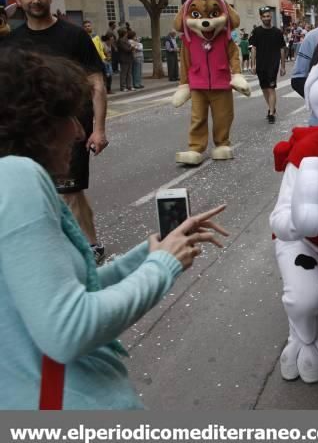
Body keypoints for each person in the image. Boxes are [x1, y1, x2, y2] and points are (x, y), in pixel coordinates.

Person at [0, 47, 229, 409]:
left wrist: (149, 253)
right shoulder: (16, 177)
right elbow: (68, 328)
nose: (78, 132)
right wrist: (161, 266)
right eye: (70, 117)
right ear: (35, 123)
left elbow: (71, 292)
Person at [6, 0, 108, 260]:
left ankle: (90, 247)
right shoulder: (12, 42)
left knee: (70, 191)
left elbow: (97, 84)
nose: (36, 0)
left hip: (70, 127)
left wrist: (98, 129)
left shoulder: (74, 36)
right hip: (29, 131)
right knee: (36, 189)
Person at [248, 6, 286, 123]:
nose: (266, 18)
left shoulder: (277, 32)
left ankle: (271, 114)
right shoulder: (257, 32)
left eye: (268, 16)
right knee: (264, 88)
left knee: (271, 88)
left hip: (273, 64)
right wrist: (253, 64)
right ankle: (271, 108)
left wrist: (283, 66)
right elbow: (253, 49)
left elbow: (282, 49)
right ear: (261, 18)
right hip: (261, 64)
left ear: (271, 17)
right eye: (264, 16)